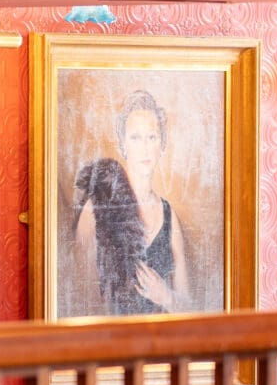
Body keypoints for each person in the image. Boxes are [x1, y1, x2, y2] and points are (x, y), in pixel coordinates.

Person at [70, 90, 193, 316]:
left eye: (152, 137)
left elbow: (188, 306)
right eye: (136, 138)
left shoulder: (168, 214)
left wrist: (165, 295)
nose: (145, 147)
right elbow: (78, 299)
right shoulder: (97, 208)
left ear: (162, 145)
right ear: (123, 145)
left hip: (159, 345)